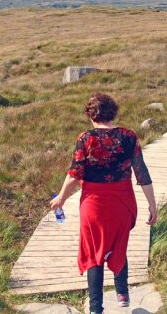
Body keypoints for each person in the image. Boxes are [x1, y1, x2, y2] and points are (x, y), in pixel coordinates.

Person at [50, 93, 157, 314]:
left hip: (94, 204)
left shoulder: (86, 138)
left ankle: (95, 309)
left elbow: (74, 175)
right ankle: (122, 293)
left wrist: (61, 198)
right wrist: (152, 205)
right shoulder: (129, 136)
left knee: (93, 253)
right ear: (113, 112)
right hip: (123, 202)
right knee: (118, 243)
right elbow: (142, 174)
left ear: (91, 115)